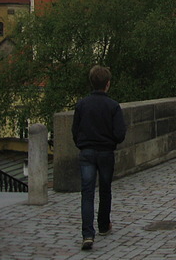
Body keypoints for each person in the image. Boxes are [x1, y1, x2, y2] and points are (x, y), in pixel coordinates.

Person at [72, 66, 127, 251]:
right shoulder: (113, 106)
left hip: (87, 151)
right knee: (105, 189)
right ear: (108, 84)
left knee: (87, 193)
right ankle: (104, 225)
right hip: (105, 152)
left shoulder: (81, 105)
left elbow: (75, 131)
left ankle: (87, 233)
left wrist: (83, 144)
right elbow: (120, 134)